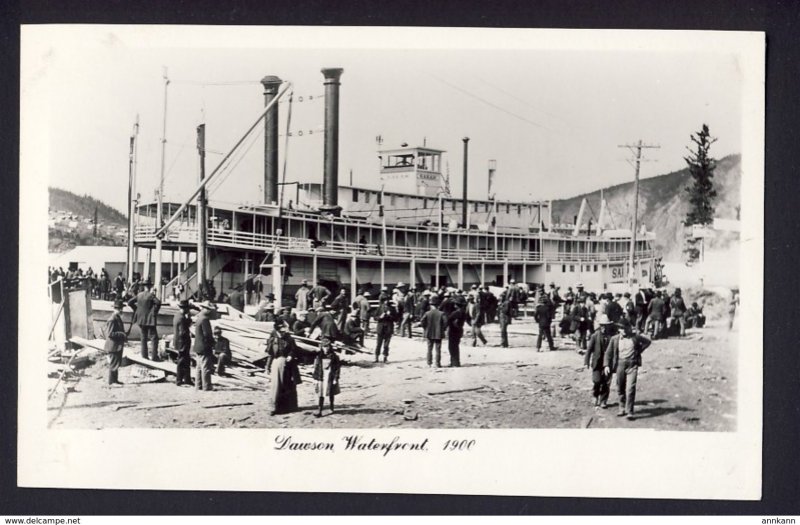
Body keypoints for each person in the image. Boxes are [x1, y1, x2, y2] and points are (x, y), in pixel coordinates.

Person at [605, 318, 651, 419]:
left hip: (632, 365)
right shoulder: (614, 339)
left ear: (628, 328)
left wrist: (638, 351)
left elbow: (647, 342)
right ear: (618, 329)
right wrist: (607, 365)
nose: (624, 330)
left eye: (625, 328)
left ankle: (630, 411)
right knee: (620, 387)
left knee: (630, 388)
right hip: (620, 364)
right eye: (621, 328)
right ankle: (622, 408)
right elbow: (608, 353)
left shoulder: (635, 337)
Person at [267, 320, 301, 415]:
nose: (282, 333)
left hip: (288, 363)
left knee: (288, 384)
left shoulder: (289, 338)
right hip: (277, 362)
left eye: (283, 331)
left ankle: (289, 406)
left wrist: (291, 355)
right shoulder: (272, 339)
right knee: (276, 385)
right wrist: (267, 366)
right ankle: (274, 407)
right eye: (280, 331)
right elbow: (270, 353)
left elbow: (294, 349)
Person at [584, 314, 616, 409]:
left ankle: (603, 400)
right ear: (600, 326)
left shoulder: (612, 336)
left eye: (606, 325)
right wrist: (586, 361)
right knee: (597, 380)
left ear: (609, 325)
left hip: (608, 363)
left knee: (606, 382)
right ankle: (595, 395)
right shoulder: (595, 336)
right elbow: (589, 349)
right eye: (602, 325)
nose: (604, 328)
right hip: (597, 362)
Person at [127, 280, 161, 361]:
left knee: (143, 337)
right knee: (154, 338)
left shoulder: (139, 295)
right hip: (150, 320)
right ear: (150, 287)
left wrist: (137, 309)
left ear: (144, 286)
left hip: (141, 319)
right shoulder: (151, 295)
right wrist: (154, 311)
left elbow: (129, 302)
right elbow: (158, 303)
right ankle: (154, 356)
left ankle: (144, 355)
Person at [102, 299, 127, 386]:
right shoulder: (112, 319)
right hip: (113, 346)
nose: (121, 310)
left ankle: (115, 380)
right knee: (113, 364)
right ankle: (111, 382)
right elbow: (110, 334)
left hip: (117, 345)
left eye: (121, 309)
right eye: (119, 309)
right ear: (115, 309)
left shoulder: (117, 318)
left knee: (116, 363)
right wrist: (121, 334)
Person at [193, 301, 217, 391]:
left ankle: (198, 385)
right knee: (205, 367)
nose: (210, 311)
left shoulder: (199, 318)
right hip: (204, 346)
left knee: (199, 367)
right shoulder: (205, 319)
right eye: (209, 309)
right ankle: (206, 386)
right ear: (205, 309)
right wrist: (212, 344)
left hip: (197, 346)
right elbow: (207, 334)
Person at [312, 343, 341, 417]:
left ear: (330, 347)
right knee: (321, 393)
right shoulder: (319, 356)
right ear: (322, 347)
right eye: (324, 347)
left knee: (331, 392)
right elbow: (316, 367)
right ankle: (320, 410)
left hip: (330, 376)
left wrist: (335, 378)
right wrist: (315, 378)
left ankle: (331, 407)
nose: (326, 348)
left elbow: (337, 368)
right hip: (322, 376)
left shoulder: (334, 356)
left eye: (327, 346)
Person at [173, 299, 194, 387]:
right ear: (185, 308)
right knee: (182, 360)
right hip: (183, 342)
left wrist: (188, 319)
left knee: (185, 360)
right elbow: (183, 331)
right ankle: (179, 380)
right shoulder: (181, 318)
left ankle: (186, 379)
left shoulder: (177, 315)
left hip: (178, 341)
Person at [421, 296, 446, 368]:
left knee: (429, 348)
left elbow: (422, 322)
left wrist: (425, 328)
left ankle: (429, 363)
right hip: (438, 333)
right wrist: (442, 329)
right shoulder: (441, 313)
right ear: (438, 305)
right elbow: (445, 322)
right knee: (438, 349)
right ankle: (437, 363)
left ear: (431, 305)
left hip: (429, 332)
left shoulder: (427, 313)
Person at [446, 296, 468, 366]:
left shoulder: (456, 313)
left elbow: (448, 319)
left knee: (452, 347)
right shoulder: (463, 312)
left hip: (453, 330)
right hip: (459, 330)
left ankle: (454, 362)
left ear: (457, 304)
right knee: (455, 346)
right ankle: (455, 362)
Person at [373, 295, 395, 363]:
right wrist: (380, 317)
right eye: (385, 300)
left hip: (388, 328)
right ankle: (376, 357)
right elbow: (375, 318)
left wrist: (389, 316)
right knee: (378, 344)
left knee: (386, 345)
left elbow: (396, 318)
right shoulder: (379, 308)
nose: (386, 301)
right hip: (381, 328)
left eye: (387, 300)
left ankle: (385, 357)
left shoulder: (392, 309)